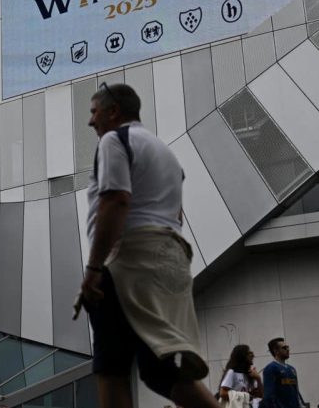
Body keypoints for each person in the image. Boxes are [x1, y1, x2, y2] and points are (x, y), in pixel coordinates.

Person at [75, 82, 216, 408]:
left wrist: (94, 268)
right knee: (160, 372)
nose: (90, 121)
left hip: (129, 262)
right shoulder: (165, 153)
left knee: (111, 368)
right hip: (172, 260)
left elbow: (116, 201)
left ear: (113, 112)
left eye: (94, 112)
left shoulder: (114, 140)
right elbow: (176, 213)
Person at [262, 338, 304, 408]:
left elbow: (296, 391)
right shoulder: (270, 368)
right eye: (284, 348)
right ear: (276, 351)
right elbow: (268, 396)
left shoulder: (292, 369)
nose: (288, 349)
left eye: (288, 347)